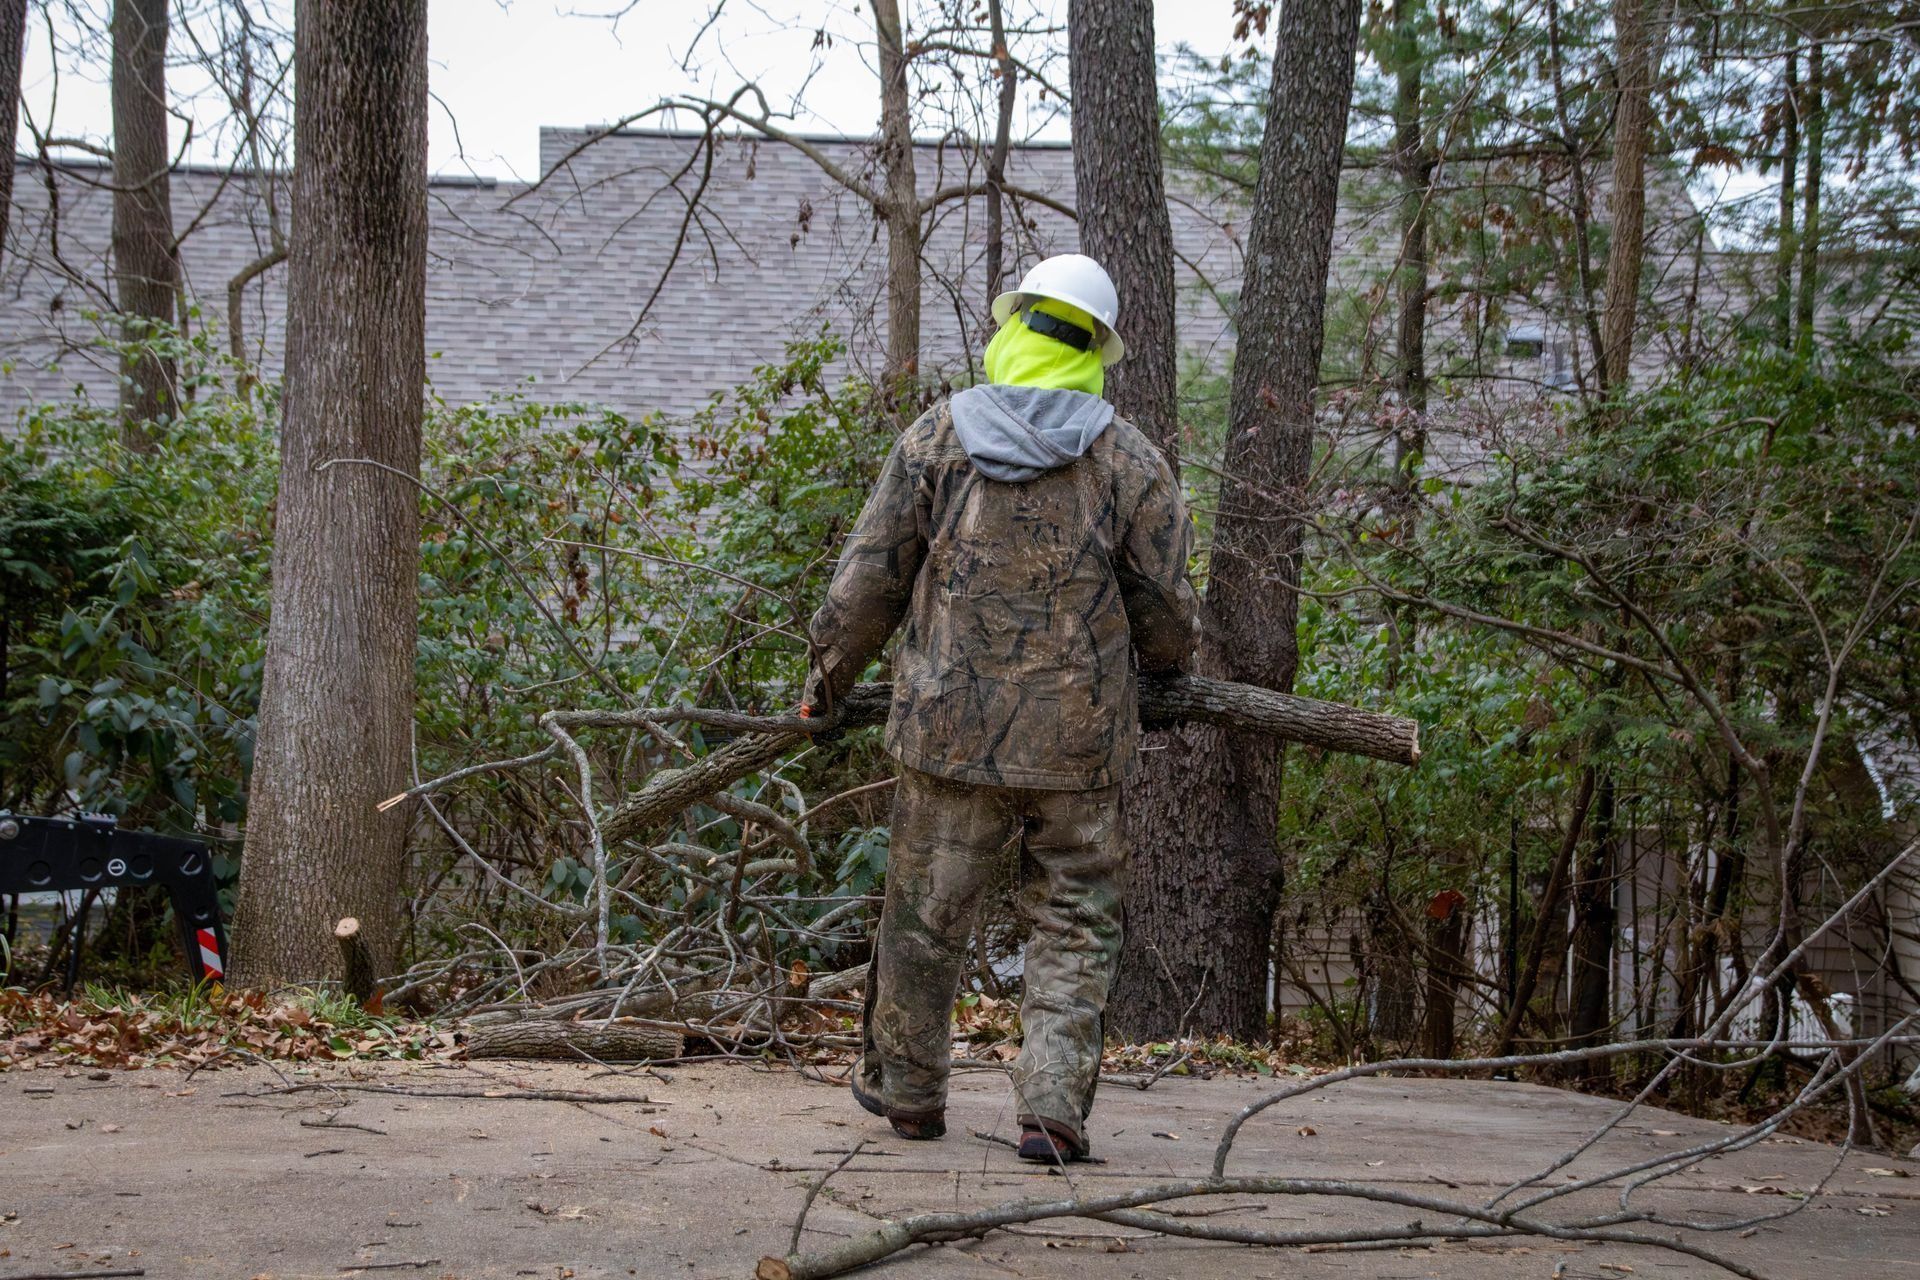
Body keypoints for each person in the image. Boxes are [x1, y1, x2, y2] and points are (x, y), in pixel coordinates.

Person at [800, 253, 1199, 1164]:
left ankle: (908, 1093)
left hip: (948, 736)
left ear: (1013, 328)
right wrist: (1166, 674)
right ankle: (1051, 1110)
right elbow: (1168, 609)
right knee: (1073, 920)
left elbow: (868, 580)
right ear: (1096, 348)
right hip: (1079, 750)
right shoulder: (1127, 459)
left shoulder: (937, 439)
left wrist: (826, 677)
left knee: (925, 914)